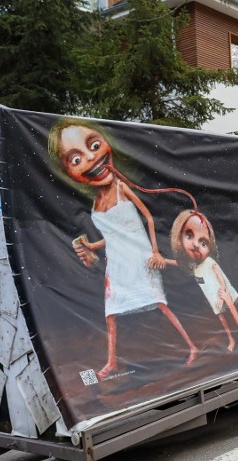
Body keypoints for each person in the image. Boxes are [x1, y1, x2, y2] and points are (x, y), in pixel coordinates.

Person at [48, 118, 198, 379]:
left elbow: (148, 218)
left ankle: (192, 347)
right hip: (117, 264)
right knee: (111, 314)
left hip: (140, 258)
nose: (90, 159)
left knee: (160, 305)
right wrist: (90, 246)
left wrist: (155, 251)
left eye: (94, 144)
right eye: (74, 160)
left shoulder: (121, 187)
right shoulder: (95, 203)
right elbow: (111, 236)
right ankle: (112, 362)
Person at [169, 209, 238, 352]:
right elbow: (179, 263)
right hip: (213, 297)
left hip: (224, 290)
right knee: (222, 318)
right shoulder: (193, 267)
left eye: (203, 243)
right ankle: (231, 339)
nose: (196, 245)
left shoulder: (208, 261)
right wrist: (164, 260)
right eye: (190, 236)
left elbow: (219, 274)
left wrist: (223, 289)